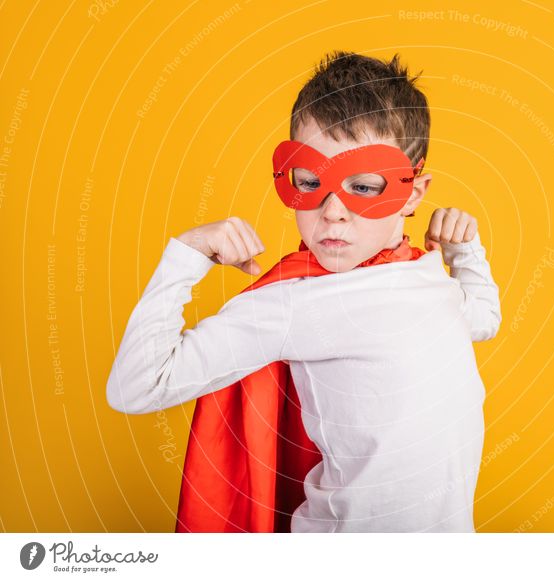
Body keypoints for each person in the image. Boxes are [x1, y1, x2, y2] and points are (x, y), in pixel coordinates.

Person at [106, 50, 502, 532]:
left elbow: (482, 319)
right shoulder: (294, 301)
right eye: (310, 181)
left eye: (364, 186)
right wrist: (186, 257)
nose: (333, 211)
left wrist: (465, 250)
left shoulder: (426, 275)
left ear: (414, 193)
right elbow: (137, 386)